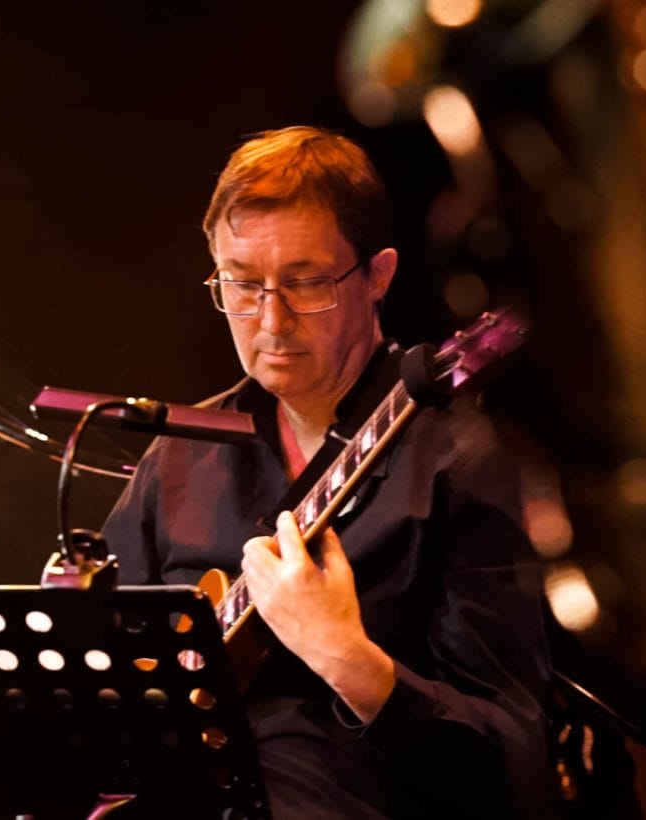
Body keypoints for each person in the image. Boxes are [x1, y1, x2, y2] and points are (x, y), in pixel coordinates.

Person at [102, 125, 554, 818]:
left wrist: (348, 660)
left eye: (307, 283)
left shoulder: (460, 462)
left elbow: (515, 767)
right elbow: (98, 684)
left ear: (379, 274)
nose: (271, 320)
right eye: (243, 284)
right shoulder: (180, 457)